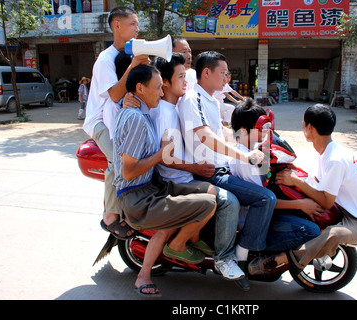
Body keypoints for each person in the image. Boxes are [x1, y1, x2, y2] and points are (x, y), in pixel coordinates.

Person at [113, 64, 217, 297]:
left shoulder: (143, 112)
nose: (161, 93)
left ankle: (191, 239)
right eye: (157, 88)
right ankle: (163, 259)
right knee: (207, 204)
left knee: (210, 191)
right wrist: (161, 155)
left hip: (151, 187)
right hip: (136, 197)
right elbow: (128, 172)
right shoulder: (136, 119)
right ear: (140, 88)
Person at [178, 51, 277, 291]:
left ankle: (239, 251)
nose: (226, 78)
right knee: (265, 197)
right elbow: (206, 136)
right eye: (223, 73)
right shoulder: (194, 99)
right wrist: (244, 155)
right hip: (211, 172)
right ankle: (230, 257)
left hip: (222, 167)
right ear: (206, 73)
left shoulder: (212, 100)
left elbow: (225, 129)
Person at [251, 104, 357, 274]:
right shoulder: (328, 152)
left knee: (333, 234)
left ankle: (277, 260)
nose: (302, 128)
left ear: (310, 127)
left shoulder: (335, 159)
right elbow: (319, 183)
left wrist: (297, 182)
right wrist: (296, 175)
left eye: (303, 124)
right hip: (349, 210)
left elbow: (327, 202)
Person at [149, 53, 244, 281]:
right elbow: (165, 158)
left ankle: (194, 236)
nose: (186, 81)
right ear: (165, 82)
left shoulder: (177, 105)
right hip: (176, 181)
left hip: (186, 176)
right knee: (226, 201)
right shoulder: (165, 113)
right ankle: (183, 244)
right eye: (181, 77)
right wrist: (194, 168)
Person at [227, 99, 322, 274]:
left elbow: (268, 178)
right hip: (253, 222)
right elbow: (264, 201)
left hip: (264, 213)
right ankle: (258, 255)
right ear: (244, 131)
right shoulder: (246, 160)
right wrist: (300, 204)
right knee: (311, 230)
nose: (265, 133)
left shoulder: (256, 152)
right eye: (261, 129)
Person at [83, 7, 149, 240]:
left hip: (117, 121)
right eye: (132, 24)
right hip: (100, 121)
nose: (137, 29)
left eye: (137, 24)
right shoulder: (105, 58)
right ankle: (109, 215)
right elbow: (113, 94)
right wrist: (134, 65)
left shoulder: (129, 55)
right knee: (117, 161)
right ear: (117, 26)